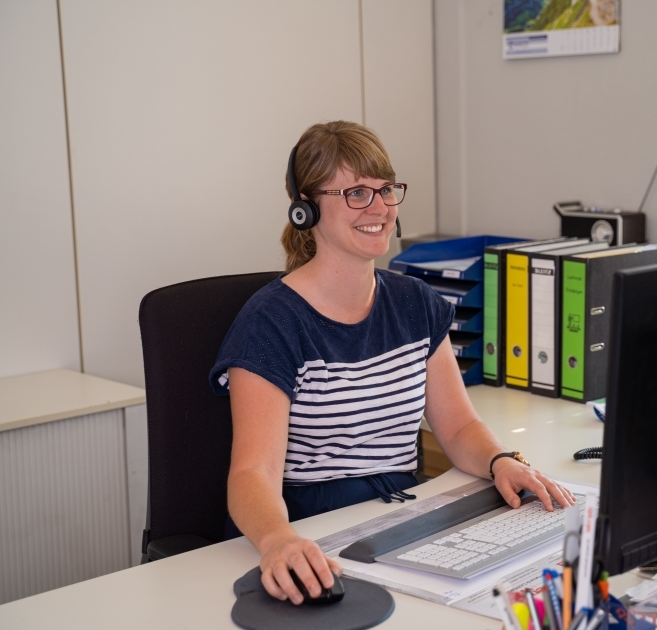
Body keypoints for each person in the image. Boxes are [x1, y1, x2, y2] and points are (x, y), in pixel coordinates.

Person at [209, 120, 574, 606]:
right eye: (357, 193)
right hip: (307, 531)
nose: (380, 207)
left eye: (386, 189)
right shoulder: (271, 322)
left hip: (399, 519)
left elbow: (458, 426)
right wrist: (279, 540)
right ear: (306, 208)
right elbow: (252, 473)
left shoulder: (414, 302)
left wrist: (499, 460)